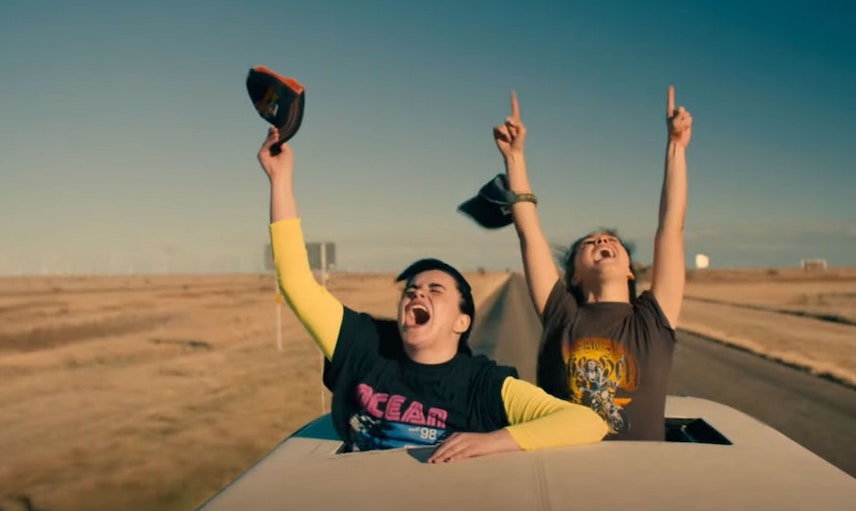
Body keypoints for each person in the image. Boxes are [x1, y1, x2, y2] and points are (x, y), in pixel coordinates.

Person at [256, 128, 608, 463]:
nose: (416, 294)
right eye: (411, 290)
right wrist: (280, 179)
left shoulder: (483, 386)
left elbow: (588, 422)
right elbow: (296, 282)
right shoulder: (362, 345)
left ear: (462, 321)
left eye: (434, 290)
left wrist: (493, 441)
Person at [489, 87, 692, 441]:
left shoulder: (653, 319)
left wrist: (675, 146)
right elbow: (529, 233)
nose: (602, 241)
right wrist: (515, 157)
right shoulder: (562, 314)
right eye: (590, 242)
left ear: (631, 269)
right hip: (565, 474)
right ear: (574, 275)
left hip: (646, 477)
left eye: (611, 241)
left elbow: (671, 228)